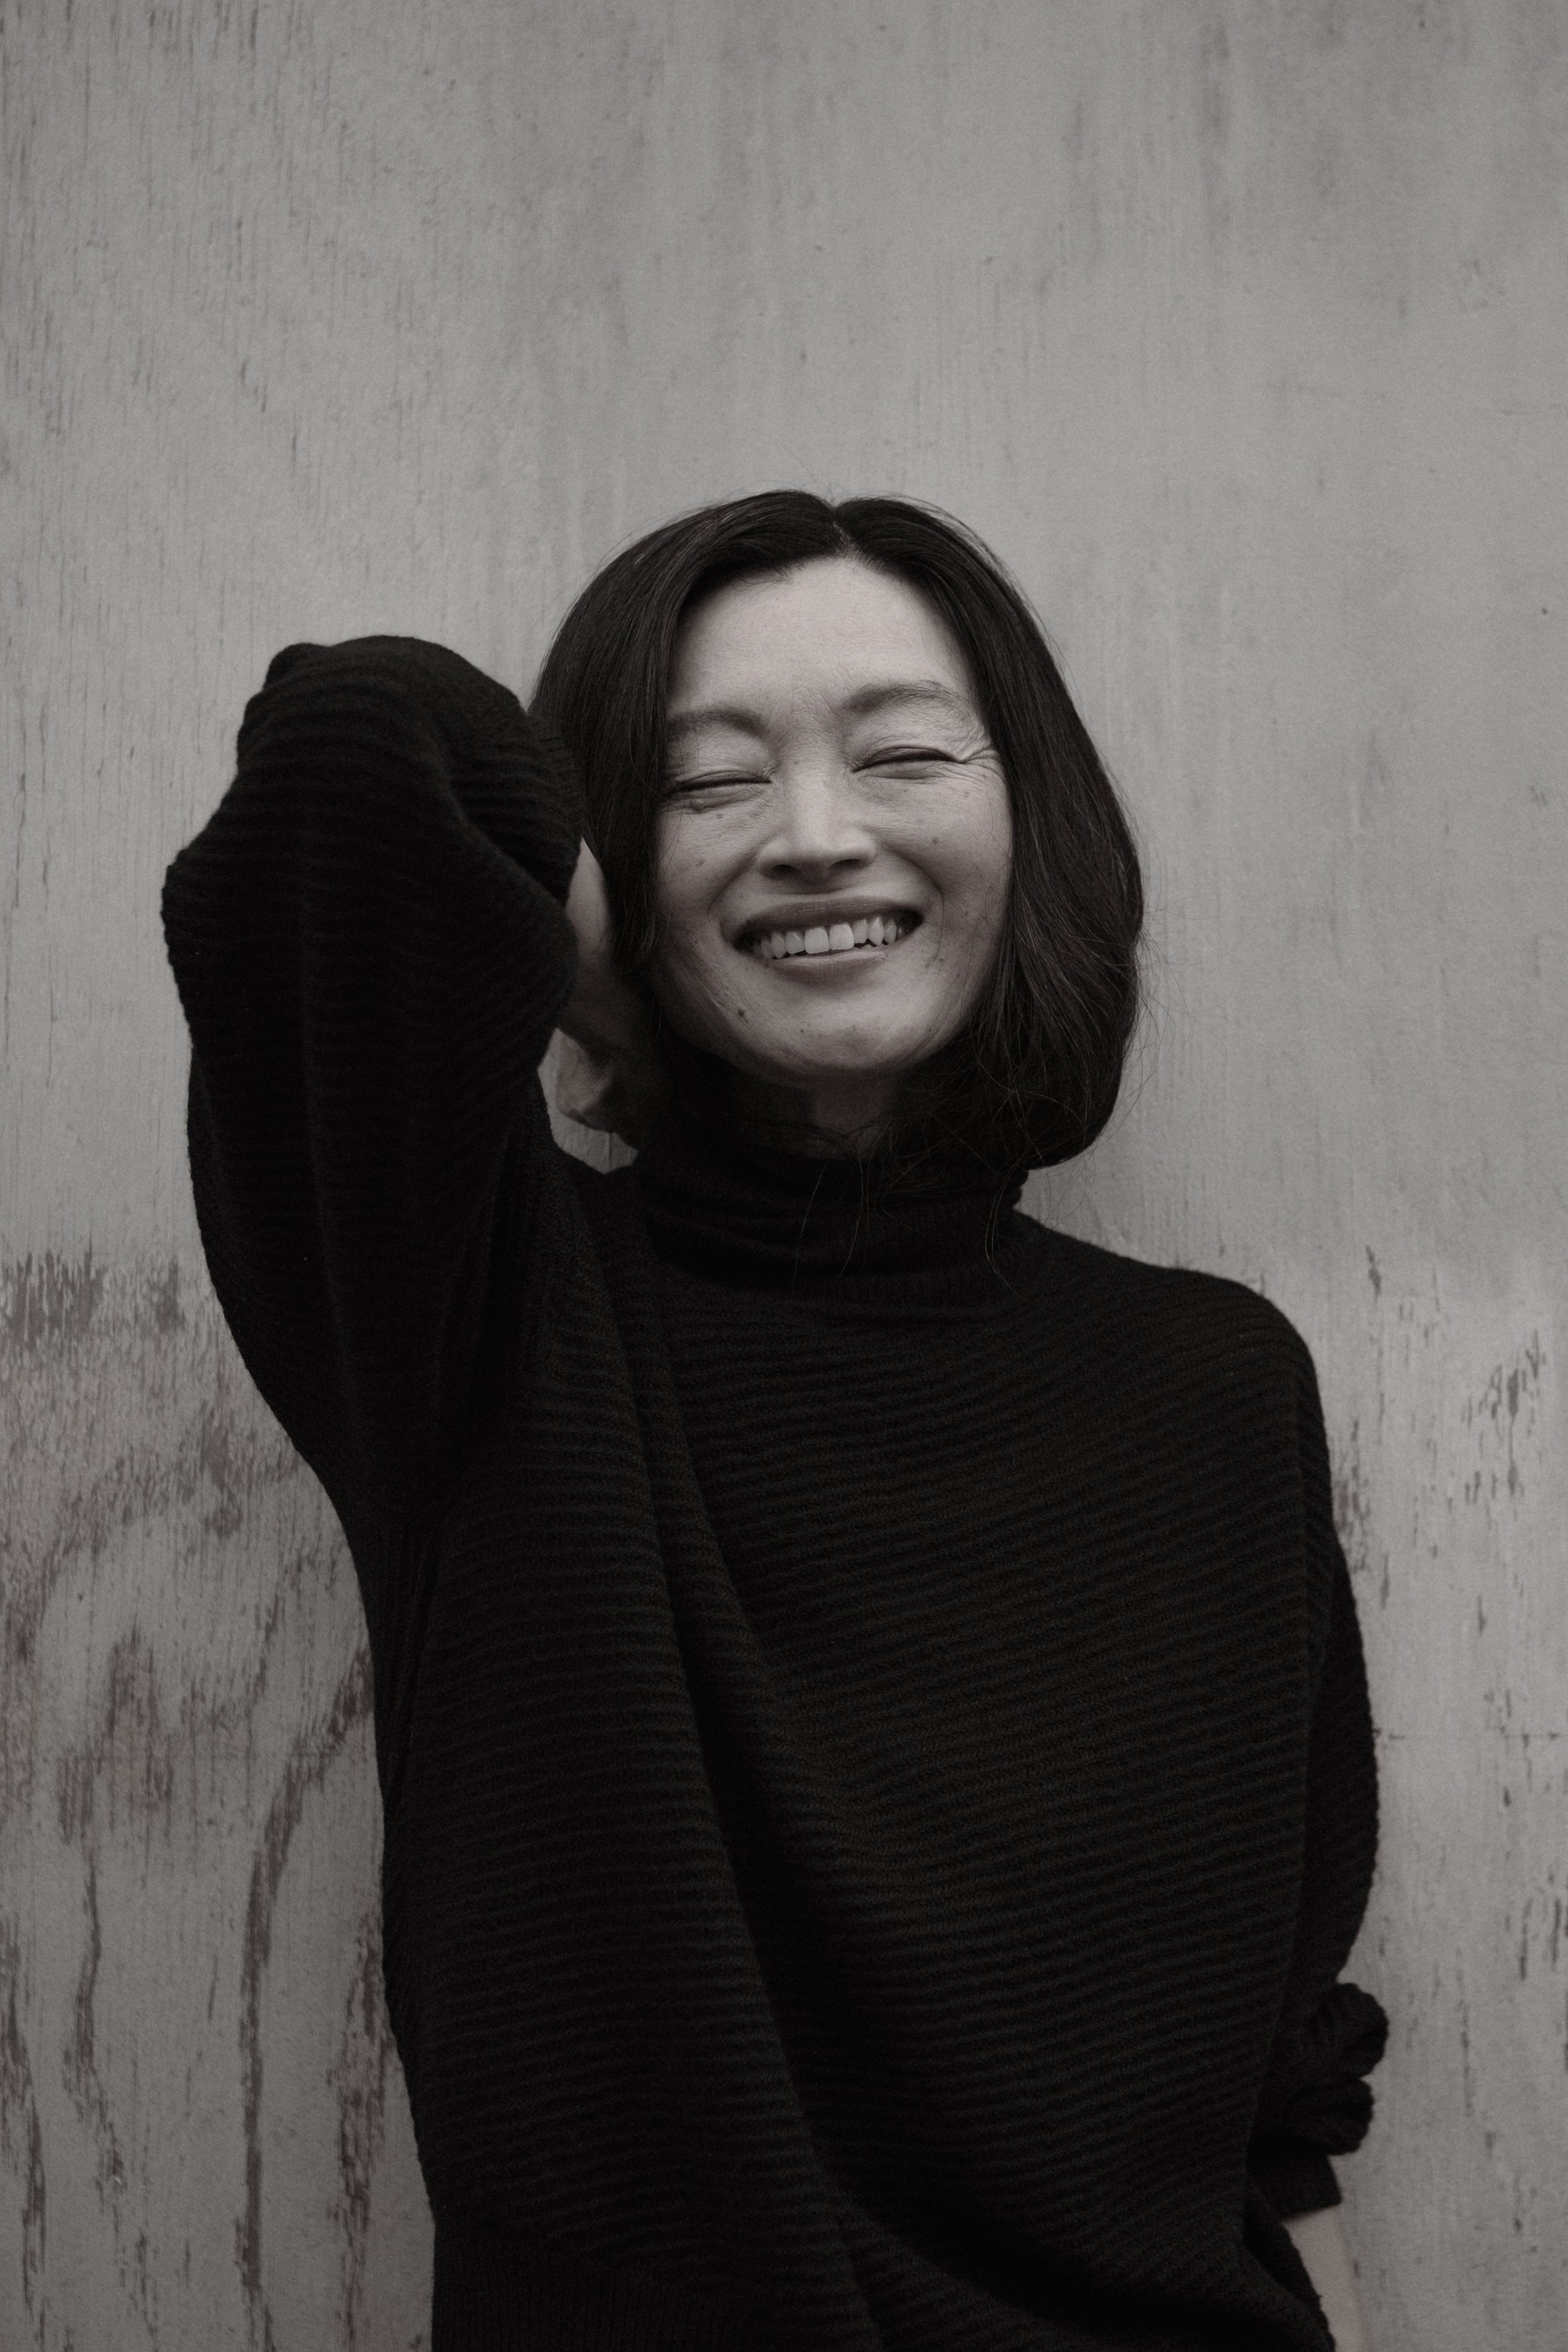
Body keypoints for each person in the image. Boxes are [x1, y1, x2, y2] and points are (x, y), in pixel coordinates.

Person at [162, 492, 1387, 2351]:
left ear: (1028, 820)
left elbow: (1276, 2088)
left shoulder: (1216, 1389)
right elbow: (358, 753)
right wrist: (598, 975)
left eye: (900, 754)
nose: (817, 837)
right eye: (705, 785)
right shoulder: (478, 1325)